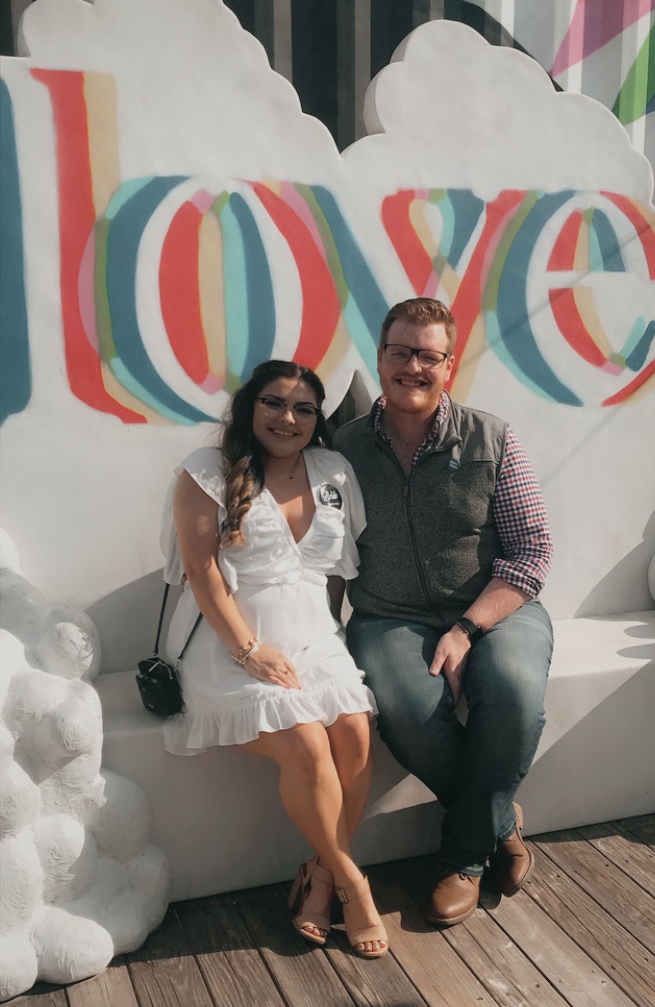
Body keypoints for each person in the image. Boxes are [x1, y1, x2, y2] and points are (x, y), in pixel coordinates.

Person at [333, 298, 553, 927]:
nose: (413, 366)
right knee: (408, 710)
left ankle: (463, 858)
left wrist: (466, 629)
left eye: (428, 355)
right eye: (400, 352)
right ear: (380, 357)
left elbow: (532, 550)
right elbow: (324, 549)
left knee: (512, 692)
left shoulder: (492, 438)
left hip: (496, 607)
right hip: (387, 615)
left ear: (449, 366)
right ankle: (498, 823)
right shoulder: (343, 450)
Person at [160, 360, 388, 957]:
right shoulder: (207, 471)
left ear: (318, 419)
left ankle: (320, 876)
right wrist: (250, 651)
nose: (289, 418)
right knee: (306, 742)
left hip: (313, 637)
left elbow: (336, 573)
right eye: (274, 403)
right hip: (228, 643)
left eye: (304, 409)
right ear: (249, 407)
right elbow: (201, 571)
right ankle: (353, 882)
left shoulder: (333, 470)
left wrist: (331, 645)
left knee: (355, 731)